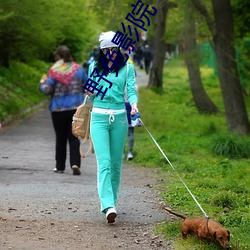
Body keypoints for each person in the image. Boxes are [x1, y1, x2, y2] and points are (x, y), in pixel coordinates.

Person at [85, 31, 138, 223]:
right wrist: (89, 92)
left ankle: (112, 201)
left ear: (118, 49)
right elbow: (90, 96)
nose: (109, 53)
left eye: (113, 49)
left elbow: (131, 90)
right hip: (98, 117)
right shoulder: (94, 67)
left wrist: (133, 104)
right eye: (105, 50)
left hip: (120, 118)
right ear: (101, 51)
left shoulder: (127, 68)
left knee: (116, 164)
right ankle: (107, 205)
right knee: (104, 163)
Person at [39, 45, 88, 175]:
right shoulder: (79, 70)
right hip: (75, 109)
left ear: (58, 57)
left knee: (60, 138)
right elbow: (87, 86)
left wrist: (42, 83)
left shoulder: (54, 71)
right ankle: (75, 163)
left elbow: (47, 90)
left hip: (58, 109)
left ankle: (60, 166)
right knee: (74, 137)